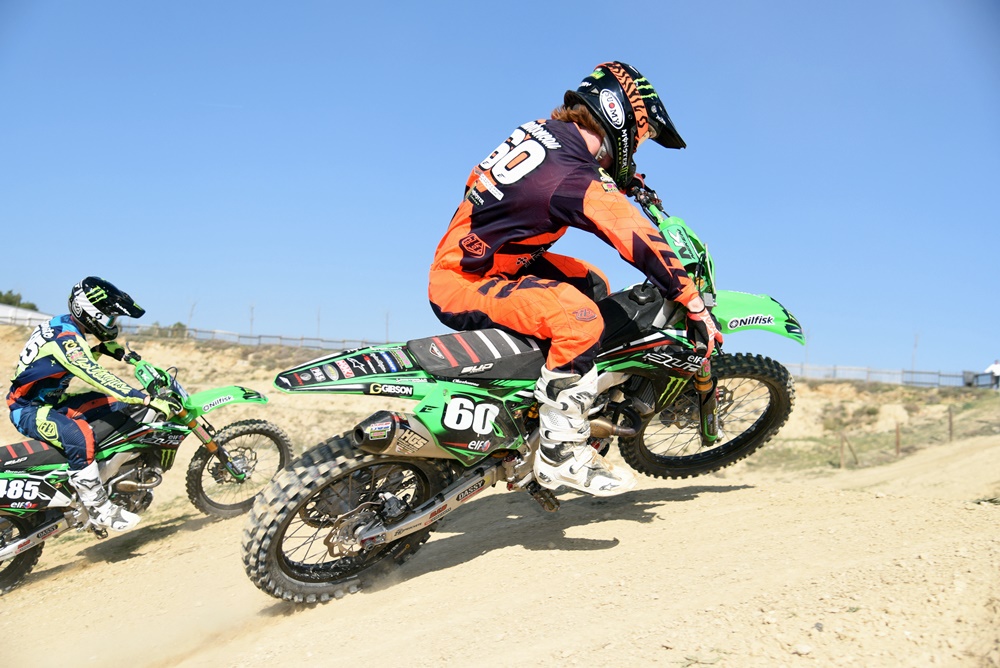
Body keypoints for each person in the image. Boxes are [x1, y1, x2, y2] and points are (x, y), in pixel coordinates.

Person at [428, 61, 722, 497]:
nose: (636, 150)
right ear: (620, 116)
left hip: (488, 256)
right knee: (582, 318)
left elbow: (554, 182)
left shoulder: (541, 133)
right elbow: (634, 236)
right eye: (640, 138)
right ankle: (559, 450)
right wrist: (693, 302)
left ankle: (543, 395)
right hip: (465, 282)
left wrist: (625, 184)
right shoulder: (575, 177)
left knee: (593, 282)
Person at [6, 277, 168, 531]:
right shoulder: (65, 339)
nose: (111, 324)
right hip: (29, 411)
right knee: (80, 435)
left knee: (118, 407)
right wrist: (143, 397)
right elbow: (93, 373)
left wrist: (107, 350)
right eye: (108, 318)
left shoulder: (65, 325)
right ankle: (98, 508)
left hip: (52, 403)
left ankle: (112, 476)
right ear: (90, 312)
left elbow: (65, 363)